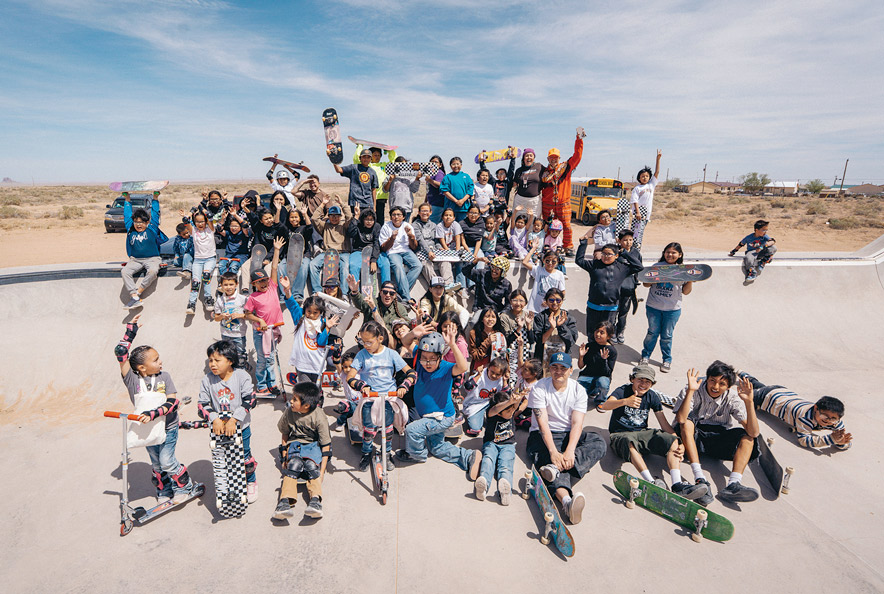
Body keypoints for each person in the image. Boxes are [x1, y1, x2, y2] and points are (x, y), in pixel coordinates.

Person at [114, 316, 203, 504]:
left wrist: (153, 414)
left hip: (168, 426)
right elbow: (121, 353)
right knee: (156, 463)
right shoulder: (132, 380)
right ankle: (165, 489)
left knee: (167, 461)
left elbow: (172, 402)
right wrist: (130, 332)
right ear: (142, 367)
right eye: (155, 360)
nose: (160, 362)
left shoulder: (165, 377)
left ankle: (184, 487)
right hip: (147, 429)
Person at [602, 364, 708, 499]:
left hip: (642, 433)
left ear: (652, 384)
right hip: (620, 435)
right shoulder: (622, 391)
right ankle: (650, 482)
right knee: (630, 442)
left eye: (647, 382)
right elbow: (605, 405)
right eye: (640, 380)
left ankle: (677, 485)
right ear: (632, 379)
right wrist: (625, 401)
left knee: (672, 441)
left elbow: (664, 424)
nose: (643, 384)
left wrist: (679, 442)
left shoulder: (652, 396)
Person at [527, 352, 606, 524]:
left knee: (598, 442)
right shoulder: (539, 388)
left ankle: (554, 469)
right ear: (549, 368)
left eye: (563, 368)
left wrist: (570, 451)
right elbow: (542, 424)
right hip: (543, 435)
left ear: (571, 370)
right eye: (554, 367)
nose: (558, 371)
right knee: (550, 456)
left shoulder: (579, 391)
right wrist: (553, 452)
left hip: (568, 433)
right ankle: (567, 502)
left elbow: (577, 424)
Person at [394, 330, 483, 480]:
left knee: (411, 430)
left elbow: (462, 367)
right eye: (424, 359)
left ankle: (417, 455)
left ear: (440, 357)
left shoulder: (446, 368)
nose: (427, 363)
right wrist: (414, 332)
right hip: (430, 416)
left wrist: (453, 344)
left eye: (432, 359)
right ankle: (468, 457)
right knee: (437, 447)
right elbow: (406, 342)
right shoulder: (420, 362)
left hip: (441, 417)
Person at [673, 362, 761, 504]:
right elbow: (681, 419)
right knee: (687, 423)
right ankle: (700, 478)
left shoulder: (732, 397)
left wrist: (749, 402)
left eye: (722, 384)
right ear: (707, 379)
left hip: (717, 438)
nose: (715, 386)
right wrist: (690, 391)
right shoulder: (692, 389)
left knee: (748, 438)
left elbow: (754, 432)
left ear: (729, 387)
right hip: (692, 436)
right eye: (712, 381)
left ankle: (733, 484)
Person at [347, 321, 416, 471]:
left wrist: (404, 386)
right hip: (370, 397)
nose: (366, 345)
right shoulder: (362, 355)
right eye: (363, 341)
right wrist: (361, 385)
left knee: (388, 429)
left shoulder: (391, 354)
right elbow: (350, 377)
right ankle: (366, 452)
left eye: (369, 342)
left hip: (388, 396)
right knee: (369, 429)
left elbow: (411, 373)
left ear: (380, 338)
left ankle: (387, 453)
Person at [198, 340, 259, 502]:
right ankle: (229, 484)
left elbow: (250, 400)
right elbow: (202, 404)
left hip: (241, 427)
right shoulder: (207, 380)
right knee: (224, 459)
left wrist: (235, 419)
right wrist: (214, 418)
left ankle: (251, 481)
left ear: (230, 360)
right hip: (218, 429)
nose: (213, 364)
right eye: (210, 360)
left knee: (244, 457)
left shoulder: (242, 376)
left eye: (217, 360)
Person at [739, 371, 851, 450]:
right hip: (768, 398)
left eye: (833, 419)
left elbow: (846, 441)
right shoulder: (805, 417)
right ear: (815, 408)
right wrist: (831, 439)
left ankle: (742, 374)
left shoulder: (835, 422)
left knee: (756, 385)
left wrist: (841, 442)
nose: (827, 421)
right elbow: (804, 440)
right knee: (741, 396)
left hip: (783, 392)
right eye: (824, 416)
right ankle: (738, 375)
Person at [272, 382, 332, 520]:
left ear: (306, 405)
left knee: (311, 467)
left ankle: (315, 501)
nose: (291, 402)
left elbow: (326, 445)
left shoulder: (319, 416)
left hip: (313, 445)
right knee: (293, 465)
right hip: (295, 444)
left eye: (295, 399)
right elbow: (285, 433)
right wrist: (284, 456)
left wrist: (322, 472)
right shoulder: (289, 412)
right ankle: (284, 502)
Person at [639, 242, 693, 372]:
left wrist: (690, 279)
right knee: (652, 333)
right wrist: (652, 277)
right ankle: (645, 356)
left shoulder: (683, 270)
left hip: (672, 309)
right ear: (664, 253)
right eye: (668, 252)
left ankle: (667, 360)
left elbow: (686, 292)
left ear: (680, 255)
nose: (670, 255)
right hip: (653, 306)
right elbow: (646, 285)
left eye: (674, 252)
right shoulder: (656, 267)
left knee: (667, 335)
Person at [243, 237, 285, 397]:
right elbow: (247, 314)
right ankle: (261, 385)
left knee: (271, 359)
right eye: (259, 281)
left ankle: (272, 383)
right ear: (254, 284)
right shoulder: (253, 297)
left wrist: (276, 250)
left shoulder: (272, 288)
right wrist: (259, 320)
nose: (264, 283)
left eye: (265, 280)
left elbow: (274, 267)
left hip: (273, 330)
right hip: (261, 333)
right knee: (262, 359)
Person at [575, 238, 643, 337]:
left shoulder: (622, 268)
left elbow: (639, 266)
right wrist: (583, 244)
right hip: (594, 306)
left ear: (616, 256)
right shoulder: (594, 265)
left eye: (609, 254)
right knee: (592, 334)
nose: (606, 256)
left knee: (606, 335)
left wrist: (625, 253)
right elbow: (579, 260)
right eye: (603, 254)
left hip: (611, 308)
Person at [474, 389, 527, 505]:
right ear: (499, 413)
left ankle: (505, 491)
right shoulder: (492, 413)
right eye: (508, 410)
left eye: (512, 409)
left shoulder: (511, 410)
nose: (512, 412)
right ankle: (483, 484)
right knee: (488, 460)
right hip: (491, 443)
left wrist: (519, 397)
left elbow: (515, 405)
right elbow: (495, 409)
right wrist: (509, 402)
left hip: (508, 445)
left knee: (506, 465)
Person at [282, 284, 340, 385]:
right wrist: (287, 290)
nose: (311, 315)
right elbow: (292, 305)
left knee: (316, 389)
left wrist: (327, 328)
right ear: (305, 309)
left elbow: (321, 343)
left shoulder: (323, 322)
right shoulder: (300, 318)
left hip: (317, 364)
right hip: (302, 364)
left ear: (320, 312)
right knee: (305, 388)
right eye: (309, 311)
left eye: (315, 312)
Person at [541, 132, 584, 256]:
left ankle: (568, 246)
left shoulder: (566, 167)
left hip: (563, 203)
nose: (553, 159)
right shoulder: (543, 172)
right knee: (548, 225)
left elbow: (577, 156)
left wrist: (579, 140)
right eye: (551, 157)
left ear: (559, 158)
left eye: (556, 157)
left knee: (566, 225)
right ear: (548, 159)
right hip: (547, 204)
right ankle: (548, 245)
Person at [122, 191, 164, 309]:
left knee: (153, 271)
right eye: (136, 222)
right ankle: (134, 296)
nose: (138, 225)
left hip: (152, 259)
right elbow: (127, 215)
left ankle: (138, 292)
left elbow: (155, 214)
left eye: (141, 222)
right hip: (135, 260)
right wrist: (127, 199)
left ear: (146, 222)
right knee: (125, 272)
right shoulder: (130, 229)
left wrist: (155, 198)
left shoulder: (152, 228)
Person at [309, 198, 353, 292]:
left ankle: (344, 293)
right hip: (327, 253)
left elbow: (350, 217)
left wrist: (342, 203)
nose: (334, 218)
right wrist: (323, 204)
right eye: (332, 216)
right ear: (328, 216)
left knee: (345, 267)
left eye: (337, 216)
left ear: (340, 216)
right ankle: (317, 291)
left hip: (342, 253)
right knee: (313, 264)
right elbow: (314, 218)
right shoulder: (324, 226)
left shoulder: (344, 225)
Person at [178, 209, 217, 314]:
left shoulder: (210, 229)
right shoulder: (193, 231)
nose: (200, 224)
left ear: (205, 221)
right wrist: (190, 213)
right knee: (195, 282)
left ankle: (208, 299)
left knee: (206, 276)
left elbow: (210, 217)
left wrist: (203, 210)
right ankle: (191, 303)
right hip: (198, 260)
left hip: (210, 258)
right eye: (197, 222)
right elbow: (186, 221)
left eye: (202, 221)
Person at [379, 206, 421, 300]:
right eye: (394, 215)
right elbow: (384, 248)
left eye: (399, 215)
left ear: (403, 217)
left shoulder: (407, 226)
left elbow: (414, 247)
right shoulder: (386, 227)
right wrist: (392, 238)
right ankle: (406, 298)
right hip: (392, 252)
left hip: (406, 251)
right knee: (398, 267)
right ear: (390, 217)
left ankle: (400, 291)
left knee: (418, 266)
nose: (396, 217)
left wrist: (410, 236)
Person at [529, 288, 578, 368]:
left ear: (562, 301)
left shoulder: (568, 318)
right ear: (546, 301)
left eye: (558, 300)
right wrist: (551, 328)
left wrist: (561, 326)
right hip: (543, 358)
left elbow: (571, 341)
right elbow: (539, 341)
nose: (555, 303)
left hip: (562, 359)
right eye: (551, 300)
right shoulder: (540, 317)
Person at [461, 357, 508, 436]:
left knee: (499, 421)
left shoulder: (501, 379)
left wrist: (505, 380)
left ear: (502, 374)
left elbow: (506, 396)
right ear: (488, 368)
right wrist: (478, 374)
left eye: (497, 374)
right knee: (475, 429)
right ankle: (477, 417)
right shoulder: (481, 374)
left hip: (490, 403)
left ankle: (485, 416)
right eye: (492, 372)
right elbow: (467, 387)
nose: (494, 375)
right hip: (475, 404)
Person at [214, 271, 250, 370]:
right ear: (221, 285)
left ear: (236, 284)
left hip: (239, 335)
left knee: (240, 357)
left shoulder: (242, 299)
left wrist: (240, 315)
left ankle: (242, 373)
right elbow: (216, 318)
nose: (228, 287)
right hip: (225, 334)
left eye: (231, 284)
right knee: (228, 357)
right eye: (225, 285)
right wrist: (222, 316)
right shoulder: (220, 300)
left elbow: (249, 315)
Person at [577, 320, 618, 407]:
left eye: (602, 332)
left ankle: (601, 400)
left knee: (603, 383)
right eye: (597, 331)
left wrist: (604, 360)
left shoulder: (612, 351)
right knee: (577, 393)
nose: (598, 334)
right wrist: (581, 356)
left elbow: (608, 372)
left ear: (608, 336)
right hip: (587, 376)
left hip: (602, 377)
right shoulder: (589, 346)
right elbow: (581, 366)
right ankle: (592, 391)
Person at [346, 208, 389, 286]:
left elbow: (376, 243)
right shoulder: (358, 225)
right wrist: (356, 217)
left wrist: (373, 260)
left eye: (371, 220)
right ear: (362, 220)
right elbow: (350, 233)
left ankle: (387, 288)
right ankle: (355, 290)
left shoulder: (377, 226)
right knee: (353, 265)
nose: (369, 222)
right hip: (359, 251)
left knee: (385, 264)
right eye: (366, 219)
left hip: (374, 251)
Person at [613, 229, 641, 344]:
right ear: (619, 241)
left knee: (624, 312)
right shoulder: (614, 251)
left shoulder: (636, 253)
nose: (628, 242)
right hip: (616, 287)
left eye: (630, 239)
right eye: (625, 240)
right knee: (613, 311)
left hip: (629, 287)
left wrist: (636, 282)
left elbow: (639, 268)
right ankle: (612, 331)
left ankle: (620, 331)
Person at [630, 149, 662, 249]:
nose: (645, 177)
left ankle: (637, 249)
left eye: (647, 176)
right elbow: (635, 201)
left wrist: (658, 159)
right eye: (642, 176)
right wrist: (637, 212)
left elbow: (657, 172)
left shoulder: (651, 185)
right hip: (638, 214)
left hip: (646, 214)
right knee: (635, 233)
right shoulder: (637, 188)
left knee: (640, 233)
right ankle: (633, 249)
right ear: (639, 178)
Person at [356, 144, 396, 225]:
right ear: (370, 156)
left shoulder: (384, 166)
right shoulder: (367, 165)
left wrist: (390, 151)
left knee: (380, 219)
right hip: (368, 197)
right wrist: (360, 146)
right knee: (367, 219)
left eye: (379, 155)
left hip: (381, 197)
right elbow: (357, 159)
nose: (377, 157)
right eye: (375, 155)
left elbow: (394, 162)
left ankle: (379, 233)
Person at [521, 246, 566, 315]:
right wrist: (533, 248)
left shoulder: (559, 274)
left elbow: (562, 292)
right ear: (543, 260)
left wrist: (552, 302)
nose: (550, 263)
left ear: (557, 262)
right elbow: (524, 262)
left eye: (553, 262)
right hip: (535, 308)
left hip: (551, 309)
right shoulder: (538, 270)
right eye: (547, 261)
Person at [281, 206, 313, 301]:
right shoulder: (287, 229)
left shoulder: (303, 228)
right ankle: (284, 294)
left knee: (304, 267)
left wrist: (305, 214)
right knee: (281, 267)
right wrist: (278, 210)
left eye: (296, 217)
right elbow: (277, 225)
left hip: (304, 256)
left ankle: (297, 294)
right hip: (289, 256)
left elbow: (310, 228)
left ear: (299, 218)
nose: (294, 219)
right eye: (291, 217)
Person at [513, 149, 544, 232]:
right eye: (526, 156)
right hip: (520, 200)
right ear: (523, 158)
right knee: (518, 222)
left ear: (534, 157)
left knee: (534, 222)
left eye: (531, 155)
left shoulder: (539, 167)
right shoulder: (519, 170)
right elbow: (514, 184)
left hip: (534, 201)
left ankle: (531, 240)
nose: (529, 157)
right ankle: (517, 239)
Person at [434, 207, 466, 288]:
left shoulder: (456, 225)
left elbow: (458, 239)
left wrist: (457, 253)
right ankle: (450, 284)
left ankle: (461, 287)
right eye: (446, 215)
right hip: (444, 248)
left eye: (450, 215)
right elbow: (442, 241)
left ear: (454, 218)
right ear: (442, 217)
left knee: (460, 262)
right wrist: (448, 253)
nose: (448, 217)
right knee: (447, 261)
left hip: (454, 249)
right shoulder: (439, 226)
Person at [215, 209, 250, 283]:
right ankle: (223, 282)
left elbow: (245, 225)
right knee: (221, 265)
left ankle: (231, 282)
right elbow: (219, 229)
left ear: (240, 227)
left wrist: (235, 215)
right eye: (232, 226)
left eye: (236, 226)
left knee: (233, 266)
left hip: (241, 256)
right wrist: (223, 219)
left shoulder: (244, 233)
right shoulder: (228, 233)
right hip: (228, 256)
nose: (233, 228)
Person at [468, 307, 506, 372]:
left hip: (495, 369)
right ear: (482, 319)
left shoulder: (499, 334)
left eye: (493, 317)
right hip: (478, 368)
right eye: (487, 316)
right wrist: (487, 342)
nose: (490, 319)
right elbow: (474, 355)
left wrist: (506, 371)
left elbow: (504, 354)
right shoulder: (474, 333)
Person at [384, 157, 422, 221]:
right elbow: (385, 190)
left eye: (405, 165)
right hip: (395, 208)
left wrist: (417, 179)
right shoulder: (390, 176)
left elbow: (414, 190)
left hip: (407, 208)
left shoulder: (410, 176)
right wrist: (390, 180)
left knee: (405, 226)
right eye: (401, 165)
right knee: (395, 225)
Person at [479, 148, 517, 213]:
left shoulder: (507, 183)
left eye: (503, 173)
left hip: (503, 207)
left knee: (501, 219)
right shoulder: (493, 182)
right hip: (493, 207)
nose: (501, 175)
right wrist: (482, 162)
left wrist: (513, 159)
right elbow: (486, 172)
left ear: (506, 175)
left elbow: (511, 171)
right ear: (496, 176)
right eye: (499, 174)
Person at [440, 157, 475, 222]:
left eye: (457, 164)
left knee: (462, 226)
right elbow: (445, 191)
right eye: (453, 164)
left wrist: (462, 201)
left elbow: (470, 190)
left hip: (463, 208)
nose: (456, 166)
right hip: (450, 208)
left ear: (461, 165)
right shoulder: (447, 177)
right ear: (450, 166)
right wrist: (456, 201)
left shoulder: (466, 176)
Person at [411, 202, 438, 284]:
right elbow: (420, 240)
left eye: (427, 211)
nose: (425, 213)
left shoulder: (433, 225)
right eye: (422, 211)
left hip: (433, 250)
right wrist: (429, 251)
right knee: (426, 264)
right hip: (421, 251)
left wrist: (439, 247)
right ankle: (435, 284)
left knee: (445, 262)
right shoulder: (415, 225)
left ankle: (449, 284)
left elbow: (436, 240)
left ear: (430, 212)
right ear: (419, 212)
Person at [425, 155, 447, 223]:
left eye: (436, 162)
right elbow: (428, 190)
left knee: (432, 223)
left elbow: (439, 185)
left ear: (440, 165)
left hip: (437, 203)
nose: (433, 164)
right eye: (432, 162)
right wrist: (425, 201)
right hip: (433, 202)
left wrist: (430, 180)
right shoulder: (431, 174)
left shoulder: (439, 172)